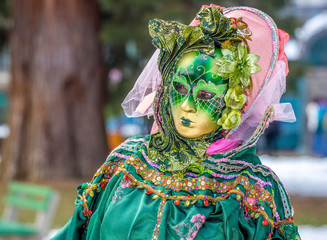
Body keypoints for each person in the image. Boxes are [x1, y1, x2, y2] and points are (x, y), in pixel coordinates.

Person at [52, 5, 301, 240]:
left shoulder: (253, 190)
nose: (187, 105)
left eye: (205, 95)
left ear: (234, 100)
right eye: (179, 88)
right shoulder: (127, 163)